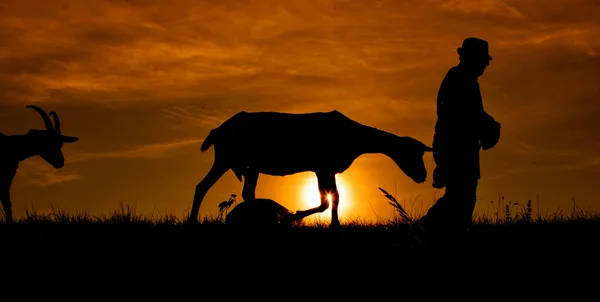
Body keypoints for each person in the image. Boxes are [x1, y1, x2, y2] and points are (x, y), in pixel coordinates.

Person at [417, 37, 501, 235]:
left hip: (457, 146)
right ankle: (425, 229)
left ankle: (442, 232)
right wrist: (491, 125)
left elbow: (466, 113)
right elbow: (467, 113)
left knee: (461, 196)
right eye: (483, 60)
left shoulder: (460, 77)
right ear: (474, 58)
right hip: (458, 148)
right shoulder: (462, 79)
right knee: (460, 197)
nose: (486, 65)